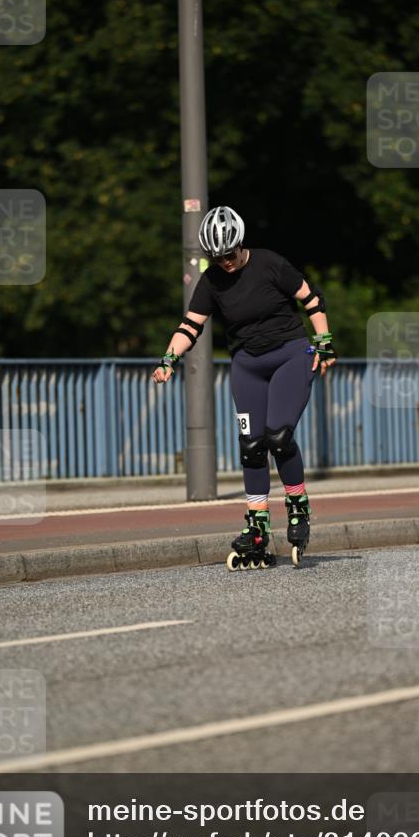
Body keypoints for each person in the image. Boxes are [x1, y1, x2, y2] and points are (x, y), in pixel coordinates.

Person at [152, 205, 337, 568]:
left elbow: (312, 299)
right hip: (247, 365)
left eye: (230, 254)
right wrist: (168, 360)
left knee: (278, 436)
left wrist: (325, 342)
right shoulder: (212, 281)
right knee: (251, 446)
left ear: (240, 244)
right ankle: (257, 526)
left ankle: (297, 508)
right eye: (217, 258)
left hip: (290, 355)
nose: (226, 263)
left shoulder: (269, 263)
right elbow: (191, 325)